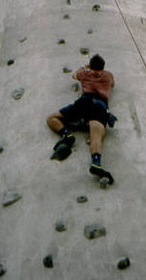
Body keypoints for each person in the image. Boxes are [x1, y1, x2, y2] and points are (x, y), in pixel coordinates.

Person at [46, 54, 115, 184]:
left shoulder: (85, 74)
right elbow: (113, 84)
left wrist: (85, 67)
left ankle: (67, 135)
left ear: (91, 65)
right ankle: (96, 162)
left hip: (84, 102)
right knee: (96, 136)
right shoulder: (108, 76)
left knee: (52, 118)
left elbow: (74, 75)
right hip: (100, 105)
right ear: (103, 67)